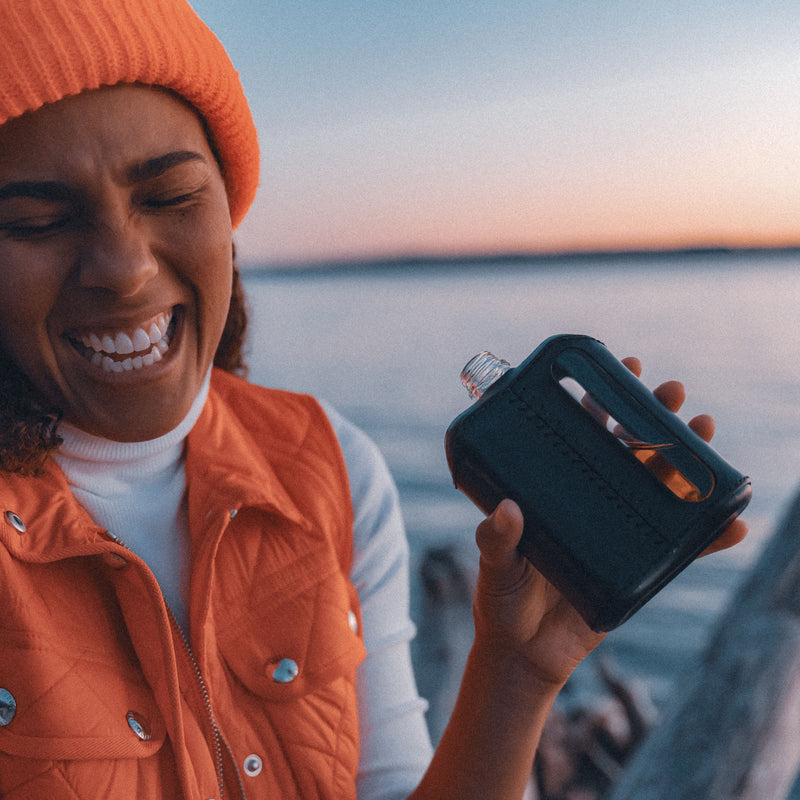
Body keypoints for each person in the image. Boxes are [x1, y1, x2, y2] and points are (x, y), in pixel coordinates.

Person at [0, 1, 747, 798]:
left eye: (170, 196)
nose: (123, 266)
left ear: (228, 207)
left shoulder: (332, 465)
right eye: (39, 221)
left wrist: (517, 672)